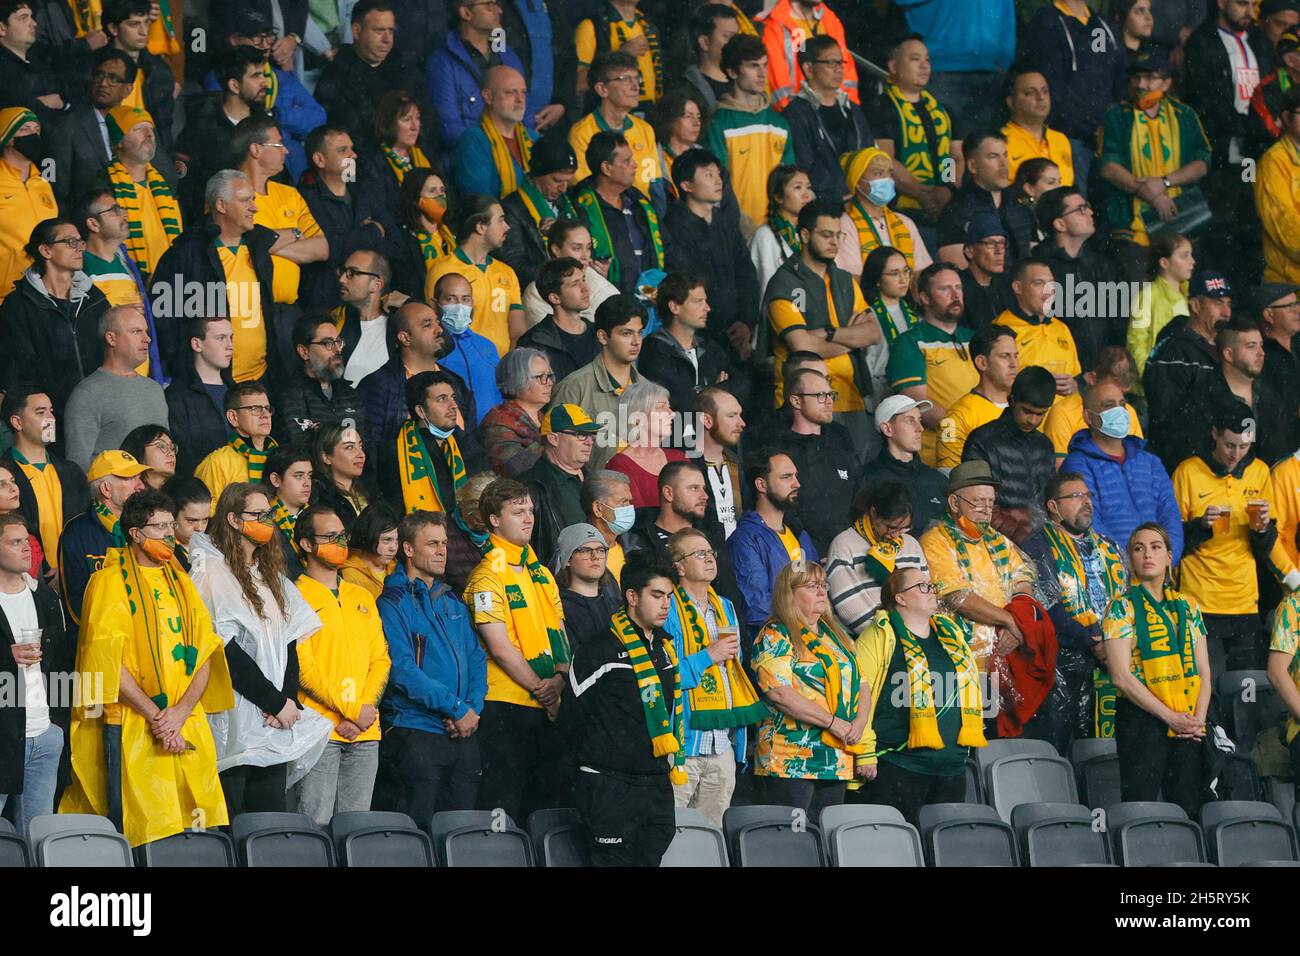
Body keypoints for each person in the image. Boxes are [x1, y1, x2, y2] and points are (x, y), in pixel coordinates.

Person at [60, 490, 234, 846]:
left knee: (194, 828)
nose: (169, 535)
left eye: (172, 526)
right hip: (132, 723)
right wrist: (159, 718)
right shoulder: (107, 582)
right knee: (143, 830)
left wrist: (180, 713)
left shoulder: (181, 580)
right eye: (159, 528)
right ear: (136, 533)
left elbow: (206, 653)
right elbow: (107, 662)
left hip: (185, 719)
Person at [187, 482, 332, 816]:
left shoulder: (271, 575)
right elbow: (224, 649)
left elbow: (290, 641)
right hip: (238, 713)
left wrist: (288, 700)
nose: (267, 520)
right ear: (235, 519)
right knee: (238, 817)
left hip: (274, 716)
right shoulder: (210, 571)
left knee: (271, 818)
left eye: (269, 514)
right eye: (258, 514)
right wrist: (274, 701)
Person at [464, 477, 571, 822]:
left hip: (547, 703)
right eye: (517, 511)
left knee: (543, 802)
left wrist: (559, 678)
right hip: (506, 705)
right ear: (494, 520)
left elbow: (561, 634)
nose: (528, 518)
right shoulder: (486, 576)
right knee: (502, 801)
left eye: (530, 510)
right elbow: (499, 646)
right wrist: (545, 690)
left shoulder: (540, 572)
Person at [564, 549, 678, 866]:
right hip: (609, 784)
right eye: (657, 595)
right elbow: (571, 717)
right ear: (631, 596)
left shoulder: (665, 650)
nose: (666, 603)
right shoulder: (600, 648)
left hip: (655, 784)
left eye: (669, 596)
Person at [1172, 402, 1300, 675]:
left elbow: (1266, 547)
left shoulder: (1260, 472)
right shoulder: (1188, 472)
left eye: (1244, 447)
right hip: (1198, 598)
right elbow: (1170, 540)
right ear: (1215, 434)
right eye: (1230, 445)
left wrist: (1263, 529)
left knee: (1246, 685)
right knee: (1204, 679)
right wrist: (1201, 526)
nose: (1236, 454)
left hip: (1244, 598)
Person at [376, 510, 487, 821]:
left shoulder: (452, 599)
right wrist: (456, 709)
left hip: (463, 733)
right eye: (432, 544)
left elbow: (477, 658)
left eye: (445, 543)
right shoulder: (391, 602)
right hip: (416, 733)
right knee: (417, 832)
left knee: (461, 832)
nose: (442, 551)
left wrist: (471, 710)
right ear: (408, 549)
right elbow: (403, 669)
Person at [853, 566, 986, 823]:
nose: (931, 591)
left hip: (951, 767)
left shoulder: (951, 635)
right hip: (900, 766)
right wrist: (865, 751)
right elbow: (858, 695)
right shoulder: (879, 635)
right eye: (922, 586)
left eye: (932, 586)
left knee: (943, 850)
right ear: (900, 598)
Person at [291, 505, 391, 826]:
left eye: (342, 536)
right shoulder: (294, 596)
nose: (340, 543)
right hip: (319, 730)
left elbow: (381, 659)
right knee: (314, 825)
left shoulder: (360, 595)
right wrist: (350, 710)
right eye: (330, 537)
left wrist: (364, 709)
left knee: (357, 828)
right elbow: (303, 668)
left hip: (364, 730)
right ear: (307, 544)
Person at [1102, 522, 1211, 818]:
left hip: (1189, 720)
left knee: (1190, 810)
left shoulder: (1189, 606)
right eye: (1138, 548)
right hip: (1142, 720)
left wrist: (1196, 721)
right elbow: (1121, 677)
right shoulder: (1121, 608)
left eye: (1155, 547)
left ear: (1169, 557)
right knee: (1141, 806)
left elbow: (1204, 672)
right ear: (1131, 559)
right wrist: (1170, 718)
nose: (1147, 554)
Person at [1021, 471, 1129, 750]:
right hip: (1061, 664)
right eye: (1075, 496)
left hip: (1113, 660)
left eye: (1088, 495)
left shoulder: (1110, 547)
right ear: (1052, 507)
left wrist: (1115, 645)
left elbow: (1127, 602)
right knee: (1062, 744)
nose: (1086, 502)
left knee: (1107, 748)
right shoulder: (1035, 547)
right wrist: (1093, 642)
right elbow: (1046, 607)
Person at [763, 200, 881, 452]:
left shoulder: (845, 280)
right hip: (805, 402)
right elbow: (802, 346)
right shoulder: (784, 282)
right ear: (804, 235)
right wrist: (852, 340)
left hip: (853, 398)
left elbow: (873, 333)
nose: (835, 242)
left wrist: (830, 334)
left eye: (839, 235)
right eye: (826, 235)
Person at [751, 559, 866, 814]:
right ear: (789, 593)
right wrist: (832, 722)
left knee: (824, 837)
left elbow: (862, 683)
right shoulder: (776, 634)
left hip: (836, 756)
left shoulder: (838, 635)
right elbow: (779, 693)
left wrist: (859, 724)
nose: (821, 591)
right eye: (812, 585)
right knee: (791, 842)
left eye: (824, 585)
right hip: (790, 758)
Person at [661, 526, 758, 825]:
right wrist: (708, 656)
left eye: (711, 553)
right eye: (698, 554)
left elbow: (734, 673)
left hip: (721, 746)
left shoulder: (726, 607)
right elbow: (666, 677)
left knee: (710, 839)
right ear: (678, 566)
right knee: (673, 837)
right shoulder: (667, 608)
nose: (709, 559)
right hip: (683, 747)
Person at [150, 170, 282, 386]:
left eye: (254, 200)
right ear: (221, 206)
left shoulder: (258, 248)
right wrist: (188, 374)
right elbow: (164, 319)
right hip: (211, 385)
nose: (254, 208)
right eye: (245, 201)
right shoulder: (185, 253)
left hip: (261, 379)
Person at [1096, 46, 1211, 271]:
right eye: (1136, 78)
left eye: (1150, 77)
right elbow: (1108, 166)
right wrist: (1146, 191)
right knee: (1140, 300)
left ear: (1166, 83)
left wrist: (1165, 182)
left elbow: (1202, 162)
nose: (1140, 85)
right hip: (1132, 229)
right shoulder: (1117, 115)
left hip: (1181, 224)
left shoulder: (1183, 114)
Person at [919, 460, 1036, 673]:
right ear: (954, 503)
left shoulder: (998, 540)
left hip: (1006, 653)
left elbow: (1022, 580)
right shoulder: (935, 541)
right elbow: (958, 598)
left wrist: (1019, 620)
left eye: (990, 503)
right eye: (978, 502)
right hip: (960, 658)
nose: (986, 510)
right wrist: (1011, 621)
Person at [0, 512, 70, 834]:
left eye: (27, 540)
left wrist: (58, 725)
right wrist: (5, 656)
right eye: (15, 542)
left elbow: (60, 664)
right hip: (4, 735)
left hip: (45, 734)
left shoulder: (45, 596)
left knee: (39, 836)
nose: (26, 548)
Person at [1061, 375, 1183, 558]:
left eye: (1122, 404)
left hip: (1154, 575)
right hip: (1113, 576)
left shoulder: (1150, 462)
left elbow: (1170, 514)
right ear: (1088, 416)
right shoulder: (1077, 464)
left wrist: (1165, 559)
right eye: (1109, 405)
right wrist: (1127, 564)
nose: (1119, 411)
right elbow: (1090, 524)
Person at [358, 301, 475, 490]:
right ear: (405, 338)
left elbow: (471, 444)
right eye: (427, 325)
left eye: (437, 322)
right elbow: (371, 452)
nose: (439, 329)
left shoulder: (456, 383)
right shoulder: (379, 385)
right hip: (404, 493)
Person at [0, 217, 109, 417]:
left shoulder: (96, 300)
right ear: (45, 251)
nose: (79, 248)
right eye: (70, 242)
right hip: (48, 417)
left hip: (100, 413)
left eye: (80, 242)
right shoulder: (18, 305)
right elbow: (17, 371)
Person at [663, 149, 759, 365]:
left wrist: (746, 322)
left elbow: (747, 275)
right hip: (700, 335)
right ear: (686, 186)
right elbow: (684, 282)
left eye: (718, 174)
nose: (717, 181)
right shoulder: (673, 227)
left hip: (737, 332)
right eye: (708, 175)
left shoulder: (725, 224)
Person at [394, 370, 486, 593]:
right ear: (420, 410)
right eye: (441, 399)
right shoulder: (395, 452)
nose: (453, 405)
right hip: (426, 561)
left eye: (453, 397)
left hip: (466, 550)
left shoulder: (465, 446)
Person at [1163, 316, 1290, 471]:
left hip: (1264, 487)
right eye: (1251, 346)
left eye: (1261, 346)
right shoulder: (1201, 397)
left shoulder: (1271, 396)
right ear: (1228, 354)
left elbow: (1282, 453)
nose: (1261, 353)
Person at [1023, 0, 1125, 191]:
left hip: (1105, 138)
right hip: (1071, 137)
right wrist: (1088, 125)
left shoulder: (1097, 24)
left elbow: (1108, 73)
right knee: (1077, 203)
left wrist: (1108, 123)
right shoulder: (1047, 22)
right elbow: (1052, 87)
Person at [887, 263, 978, 466]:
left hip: (979, 449)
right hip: (937, 457)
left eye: (958, 287)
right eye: (945, 289)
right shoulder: (909, 342)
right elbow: (919, 405)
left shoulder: (976, 339)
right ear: (924, 298)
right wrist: (972, 432)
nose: (955, 295)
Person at [233, 114, 329, 306]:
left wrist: (263, 245)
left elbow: (322, 248)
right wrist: (296, 234)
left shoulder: (289, 194)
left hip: (288, 310)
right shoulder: (229, 192)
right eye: (278, 145)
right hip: (247, 306)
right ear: (256, 149)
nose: (286, 151)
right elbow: (237, 246)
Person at [1143, 269, 1235, 466]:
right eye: (1218, 303)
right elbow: (1168, 419)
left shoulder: (1227, 349)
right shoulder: (1174, 350)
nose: (1226, 312)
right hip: (1185, 464)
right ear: (1195, 305)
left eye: (1228, 304)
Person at [705, 34, 794, 233]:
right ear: (732, 71)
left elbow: (789, 183)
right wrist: (741, 225)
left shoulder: (780, 123)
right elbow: (717, 185)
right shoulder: (719, 122)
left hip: (778, 232)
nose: (762, 74)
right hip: (735, 231)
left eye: (764, 65)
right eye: (753, 66)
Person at [1033, 185, 1128, 371]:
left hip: (1104, 370)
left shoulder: (1102, 263)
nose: (1090, 213)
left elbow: (1117, 318)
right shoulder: (1039, 267)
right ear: (1059, 224)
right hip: (1065, 371)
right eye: (1080, 210)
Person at [76, 188, 165, 384]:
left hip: (141, 376)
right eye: (114, 210)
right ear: (93, 223)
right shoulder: (80, 266)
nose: (124, 214)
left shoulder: (126, 262)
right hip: (107, 379)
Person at [959, 366, 1057, 544]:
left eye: (1040, 414)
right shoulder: (982, 440)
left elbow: (1049, 500)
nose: (1033, 420)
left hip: (1041, 541)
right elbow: (976, 503)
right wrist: (1023, 538)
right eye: (1027, 411)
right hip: (993, 543)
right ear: (1011, 400)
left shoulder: (1045, 445)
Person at [64, 305, 168, 472]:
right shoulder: (87, 393)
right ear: (111, 338)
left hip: (158, 497)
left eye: (146, 331)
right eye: (136, 331)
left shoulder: (155, 389)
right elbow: (78, 467)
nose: (147, 338)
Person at [313, 0, 429, 149]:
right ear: (356, 31)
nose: (387, 40)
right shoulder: (336, 75)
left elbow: (428, 122)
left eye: (391, 31)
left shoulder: (406, 70)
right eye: (379, 31)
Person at [298, 126, 390, 310]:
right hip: (327, 303)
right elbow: (329, 251)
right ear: (319, 159)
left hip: (373, 301)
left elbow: (394, 241)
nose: (353, 155)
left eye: (352, 148)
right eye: (342, 150)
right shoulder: (304, 199)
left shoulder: (365, 191)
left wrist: (346, 241)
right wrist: (371, 232)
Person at [552, 294, 645, 474]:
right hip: (591, 494)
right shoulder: (574, 387)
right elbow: (555, 454)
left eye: (640, 332)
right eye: (626, 333)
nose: (636, 341)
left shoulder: (650, 391)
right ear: (603, 337)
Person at [728, 447, 817, 634]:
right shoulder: (745, 539)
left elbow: (818, 591)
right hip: (778, 645)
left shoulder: (800, 534)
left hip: (811, 637)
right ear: (762, 485)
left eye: (795, 476)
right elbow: (758, 608)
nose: (797, 483)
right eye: (786, 477)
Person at [768, 367, 857, 556]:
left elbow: (857, 501)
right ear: (796, 400)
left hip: (848, 555)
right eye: (820, 395)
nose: (829, 402)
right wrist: (810, 553)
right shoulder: (778, 452)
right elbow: (778, 511)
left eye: (831, 395)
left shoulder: (840, 446)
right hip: (801, 558)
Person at [173, 45, 268, 220]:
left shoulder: (266, 125)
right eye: (256, 76)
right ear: (234, 85)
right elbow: (186, 187)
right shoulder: (201, 127)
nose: (265, 82)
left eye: (264, 74)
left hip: (267, 217)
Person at [424, 194, 525, 358]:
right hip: (460, 367)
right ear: (480, 227)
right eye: (500, 220)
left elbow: (518, 332)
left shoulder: (508, 272)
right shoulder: (443, 270)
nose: (507, 227)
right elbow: (435, 326)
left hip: (502, 371)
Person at [2, 386, 87, 577]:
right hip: (29, 579)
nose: (51, 418)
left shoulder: (71, 472)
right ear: (17, 422)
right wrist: (44, 570)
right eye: (41, 412)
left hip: (78, 576)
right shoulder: (4, 475)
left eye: (51, 411)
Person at [571, 130, 665, 298]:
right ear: (607, 168)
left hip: (650, 300)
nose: (635, 165)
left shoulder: (640, 203)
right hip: (607, 305)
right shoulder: (578, 206)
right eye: (627, 161)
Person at [826, 481, 929, 635]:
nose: (896, 534)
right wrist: (891, 637)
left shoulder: (911, 544)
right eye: (891, 527)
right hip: (872, 639)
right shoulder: (843, 545)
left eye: (903, 528)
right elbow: (850, 609)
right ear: (873, 513)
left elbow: (927, 593)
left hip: (915, 636)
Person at [783, 34, 873, 205]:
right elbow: (804, 167)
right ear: (809, 69)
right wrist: (835, 197)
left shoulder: (853, 109)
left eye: (841, 63)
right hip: (823, 207)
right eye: (831, 63)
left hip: (861, 202)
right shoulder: (796, 113)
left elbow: (869, 155)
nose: (839, 69)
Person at [430, 1, 532, 149]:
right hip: (471, 159)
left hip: (514, 157)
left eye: (498, 4)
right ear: (466, 12)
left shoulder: (509, 56)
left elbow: (527, 114)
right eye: (489, 4)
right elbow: (449, 126)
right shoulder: (443, 61)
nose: (498, 11)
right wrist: (489, 150)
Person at [569, 50, 663, 201]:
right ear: (602, 89)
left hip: (645, 214)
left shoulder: (645, 129)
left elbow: (654, 182)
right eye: (625, 79)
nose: (636, 87)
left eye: (636, 78)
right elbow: (585, 189)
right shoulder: (582, 133)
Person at [45, 48, 132, 210]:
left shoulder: (136, 125)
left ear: (127, 89)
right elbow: (56, 190)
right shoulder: (68, 126)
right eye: (99, 75)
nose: (103, 83)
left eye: (113, 78)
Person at [101, 104, 181, 280]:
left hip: (172, 285)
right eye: (138, 128)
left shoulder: (165, 182)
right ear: (118, 141)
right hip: (129, 285)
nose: (149, 134)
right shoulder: (103, 185)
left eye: (150, 128)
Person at [936, 130, 1036, 269]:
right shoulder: (957, 211)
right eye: (993, 156)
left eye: (1005, 155)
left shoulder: (1020, 208)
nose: (1003, 163)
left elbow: (1036, 262)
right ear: (972, 166)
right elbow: (960, 275)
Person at [859, 394, 948, 538]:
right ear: (887, 429)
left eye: (919, 420)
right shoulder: (866, 479)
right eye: (910, 421)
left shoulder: (937, 479)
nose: (920, 428)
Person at [992, 258, 1083, 397]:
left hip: (1063, 417)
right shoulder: (1001, 329)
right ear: (1018, 287)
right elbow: (995, 386)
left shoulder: (1061, 328)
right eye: (1039, 283)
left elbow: (1075, 375)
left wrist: (1074, 385)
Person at [498, 136, 579, 292]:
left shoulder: (571, 205)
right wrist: (562, 273)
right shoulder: (511, 209)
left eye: (567, 182)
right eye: (556, 180)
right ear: (537, 174)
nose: (563, 188)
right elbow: (514, 267)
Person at [521, 404, 600, 563]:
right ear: (553, 438)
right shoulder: (531, 486)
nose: (589, 442)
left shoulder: (596, 480)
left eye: (591, 435)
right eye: (580, 435)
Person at [272, 313, 366, 442]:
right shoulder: (289, 397)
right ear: (304, 352)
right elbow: (297, 449)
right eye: (328, 343)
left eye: (338, 342)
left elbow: (366, 448)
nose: (337, 349)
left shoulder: (351, 395)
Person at [936, 324, 1019, 471]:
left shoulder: (1024, 408)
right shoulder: (957, 417)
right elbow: (950, 476)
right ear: (982, 363)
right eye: (1005, 356)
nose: (1014, 364)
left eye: (1016, 356)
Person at [1043, 345, 1145, 462]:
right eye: (1111, 395)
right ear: (1092, 378)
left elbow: (1140, 465)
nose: (1119, 407)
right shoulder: (1062, 413)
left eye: (1122, 397)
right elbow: (1062, 471)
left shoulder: (1129, 412)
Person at [841, 146, 932, 276]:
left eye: (889, 173)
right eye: (878, 173)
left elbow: (921, 275)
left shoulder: (905, 222)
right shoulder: (846, 224)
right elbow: (853, 278)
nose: (887, 179)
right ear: (857, 182)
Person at [451, 66, 535, 199]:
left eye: (523, 92)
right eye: (511, 92)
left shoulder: (533, 138)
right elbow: (480, 203)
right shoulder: (474, 141)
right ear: (488, 96)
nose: (520, 99)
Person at [520, 218, 619, 328]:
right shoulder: (535, 294)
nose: (585, 256)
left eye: (588, 248)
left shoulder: (602, 286)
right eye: (577, 248)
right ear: (556, 250)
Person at [0, 108, 56, 301]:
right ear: (7, 137)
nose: (33, 135)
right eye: (24, 129)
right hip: (5, 294)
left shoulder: (43, 183)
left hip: (44, 292)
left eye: (36, 129)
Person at [194, 382, 277, 508]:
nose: (265, 415)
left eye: (267, 408)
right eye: (255, 409)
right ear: (233, 417)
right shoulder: (217, 463)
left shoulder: (281, 458)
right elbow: (208, 516)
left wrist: (267, 523)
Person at [606, 380, 686, 508]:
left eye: (669, 406)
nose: (672, 413)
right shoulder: (619, 466)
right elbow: (640, 520)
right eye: (661, 407)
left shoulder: (679, 458)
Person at [518, 257, 598, 384]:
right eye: (575, 284)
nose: (585, 288)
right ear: (555, 298)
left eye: (583, 280)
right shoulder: (534, 343)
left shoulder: (601, 335)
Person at [574, 0, 664, 112]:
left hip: (648, 116)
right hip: (607, 119)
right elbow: (576, 83)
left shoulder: (649, 26)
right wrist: (622, 55)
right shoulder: (591, 26)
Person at [1128, 232, 1194, 384]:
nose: (1192, 261)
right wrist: (1150, 376)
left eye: (1191, 255)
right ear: (1164, 262)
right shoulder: (1147, 295)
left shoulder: (1189, 298)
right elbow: (1136, 341)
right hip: (1156, 384)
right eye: (1185, 256)